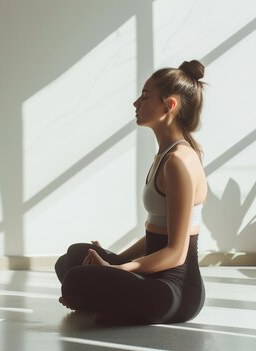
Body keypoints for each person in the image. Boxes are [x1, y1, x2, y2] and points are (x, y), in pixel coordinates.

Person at [54, 60, 208, 324]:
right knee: (74, 256)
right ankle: (109, 300)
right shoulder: (165, 155)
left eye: (145, 97)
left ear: (169, 105)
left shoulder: (178, 163)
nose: (136, 104)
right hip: (153, 277)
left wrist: (117, 269)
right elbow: (157, 233)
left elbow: (176, 253)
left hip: (176, 292)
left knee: (76, 280)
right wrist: (117, 259)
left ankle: (106, 300)